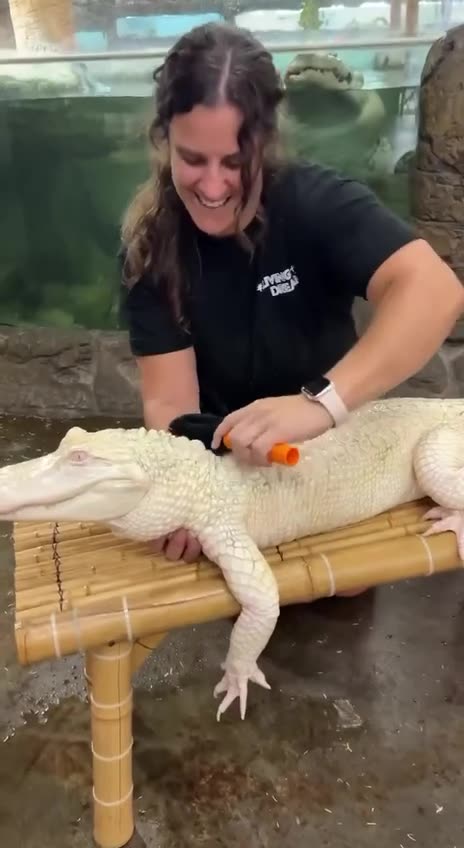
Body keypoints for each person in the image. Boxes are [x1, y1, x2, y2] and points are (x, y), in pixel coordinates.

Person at [119, 21, 464, 574]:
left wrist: (318, 404)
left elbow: (436, 291)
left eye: (235, 162)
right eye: (192, 158)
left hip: (343, 455)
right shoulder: (151, 245)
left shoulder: (313, 200)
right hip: (236, 469)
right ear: (163, 139)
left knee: (343, 589)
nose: (211, 187)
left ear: (267, 140)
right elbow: (169, 406)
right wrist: (181, 491)